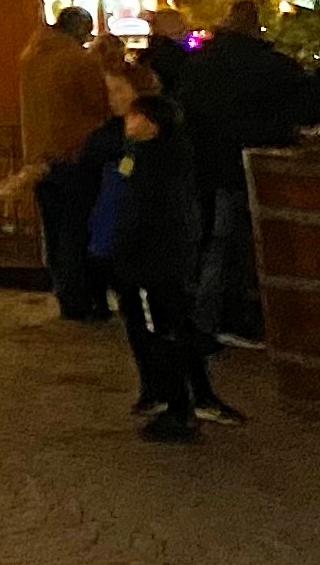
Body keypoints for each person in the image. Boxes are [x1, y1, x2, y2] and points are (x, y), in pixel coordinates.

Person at [175, 0, 320, 343]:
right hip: (254, 164)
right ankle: (220, 316)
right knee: (240, 244)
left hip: (205, 164)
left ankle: (206, 318)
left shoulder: (200, 64)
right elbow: (308, 110)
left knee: (214, 242)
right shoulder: (273, 66)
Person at [93, 88, 237, 441]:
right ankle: (193, 396)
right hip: (163, 257)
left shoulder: (152, 162)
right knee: (173, 325)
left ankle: (178, 407)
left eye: (136, 115)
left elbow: (136, 210)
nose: (128, 120)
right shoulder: (154, 155)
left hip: (149, 259)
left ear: (152, 124)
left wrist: (118, 248)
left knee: (162, 330)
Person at [19, 5, 119, 322]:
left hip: (40, 155)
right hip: (75, 153)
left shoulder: (31, 57)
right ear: (79, 30)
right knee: (78, 231)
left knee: (55, 229)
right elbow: (99, 104)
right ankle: (84, 299)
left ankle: (65, 294)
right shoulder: (78, 61)